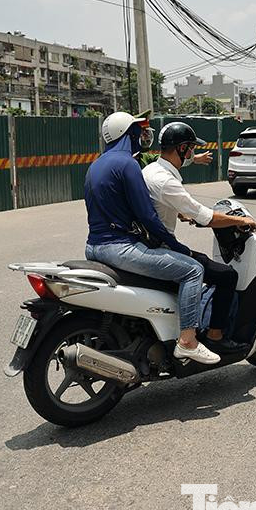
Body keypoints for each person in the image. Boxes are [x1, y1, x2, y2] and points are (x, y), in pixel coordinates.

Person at [83, 111, 220, 365]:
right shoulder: (127, 164)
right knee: (191, 269)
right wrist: (178, 246)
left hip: (94, 246)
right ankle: (188, 342)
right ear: (127, 134)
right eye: (138, 130)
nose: (143, 135)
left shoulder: (98, 164)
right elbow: (147, 215)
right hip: (119, 247)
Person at [142, 122, 256, 351]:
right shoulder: (167, 180)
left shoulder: (151, 171)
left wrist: (182, 213)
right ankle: (215, 336)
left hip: (149, 241)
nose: (193, 153)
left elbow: (164, 205)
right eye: (192, 148)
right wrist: (241, 221)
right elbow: (206, 217)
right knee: (226, 275)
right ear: (183, 149)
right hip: (163, 247)